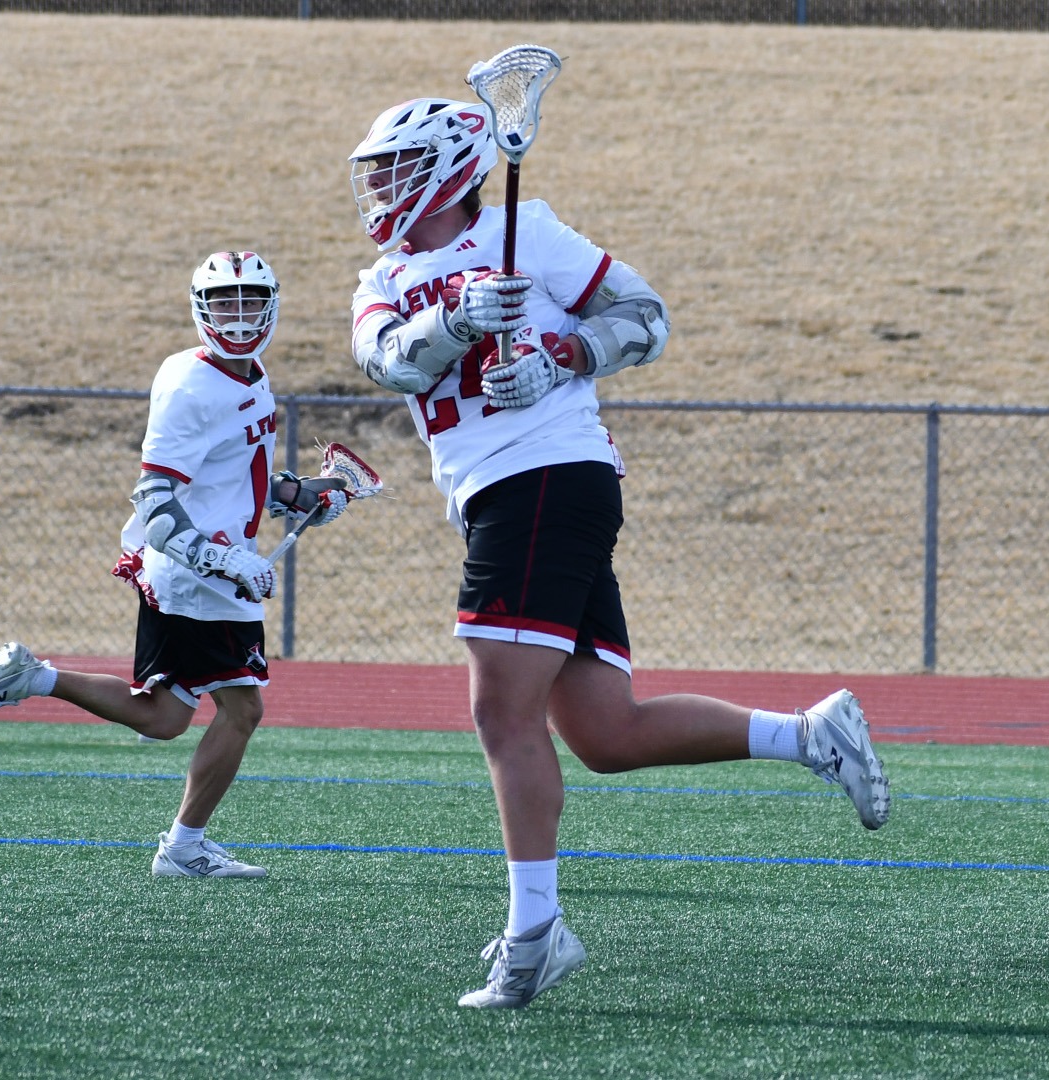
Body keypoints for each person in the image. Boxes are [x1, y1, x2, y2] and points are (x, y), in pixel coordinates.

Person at [345, 99, 892, 1009]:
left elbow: (646, 316)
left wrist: (565, 354)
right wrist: (464, 321)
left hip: (545, 475)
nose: (379, 188)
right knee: (604, 732)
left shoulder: (531, 232)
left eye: (395, 168)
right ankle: (807, 735)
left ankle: (534, 936)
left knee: (501, 716)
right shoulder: (382, 278)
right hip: (503, 495)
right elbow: (389, 363)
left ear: (447, 168)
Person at [0, 250, 348, 880]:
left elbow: (239, 473)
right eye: (225, 303)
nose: (239, 317)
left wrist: (298, 494)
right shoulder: (191, 385)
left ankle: (33, 678)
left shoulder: (250, 373)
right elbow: (157, 504)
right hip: (197, 574)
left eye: (251, 301)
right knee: (242, 711)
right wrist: (225, 563)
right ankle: (183, 847)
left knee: (165, 717)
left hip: (213, 570)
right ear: (200, 308)